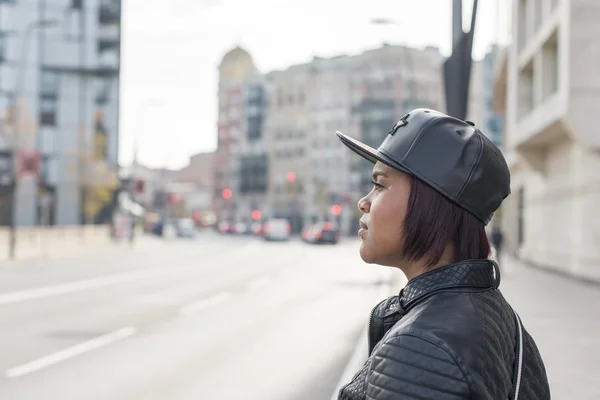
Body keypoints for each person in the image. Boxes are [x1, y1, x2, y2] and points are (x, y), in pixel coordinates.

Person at [334, 109, 550, 400]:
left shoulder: (418, 349)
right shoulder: (495, 313)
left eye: (380, 184)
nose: (364, 202)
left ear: (431, 204)